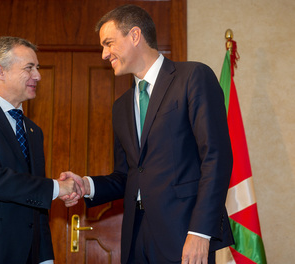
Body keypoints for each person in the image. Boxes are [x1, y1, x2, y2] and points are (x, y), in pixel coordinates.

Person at [63, 4, 234, 264]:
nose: (103, 54)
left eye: (108, 43)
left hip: (185, 233)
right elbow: (128, 175)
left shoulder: (193, 77)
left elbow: (216, 157)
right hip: (136, 237)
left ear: (134, 35)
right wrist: (87, 185)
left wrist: (200, 232)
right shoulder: (120, 106)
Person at [0, 36, 80, 264]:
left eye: (37, 68)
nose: (38, 75)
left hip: (27, 254)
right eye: (29, 68)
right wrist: (57, 187)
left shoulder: (33, 131)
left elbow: (35, 201)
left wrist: (45, 257)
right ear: (0, 71)